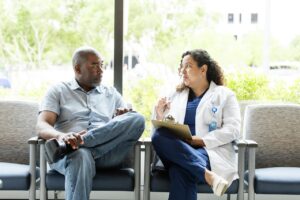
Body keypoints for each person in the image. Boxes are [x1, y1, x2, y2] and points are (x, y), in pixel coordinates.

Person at [36, 46, 145, 200]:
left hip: (104, 154)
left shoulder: (111, 93)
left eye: (102, 64)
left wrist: (120, 117)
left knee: (137, 119)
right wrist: (61, 136)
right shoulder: (58, 91)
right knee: (80, 155)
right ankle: (75, 145)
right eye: (94, 65)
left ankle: (79, 142)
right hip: (69, 156)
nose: (101, 69)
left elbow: (128, 121)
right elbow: (41, 126)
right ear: (77, 68)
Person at [151, 49, 241, 200]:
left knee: (180, 170)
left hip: (209, 152)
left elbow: (233, 129)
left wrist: (201, 140)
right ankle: (208, 176)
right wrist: (159, 114)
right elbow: (163, 131)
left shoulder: (224, 95)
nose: (182, 71)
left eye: (188, 66)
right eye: (181, 67)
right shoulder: (174, 96)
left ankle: (200, 169)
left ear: (203, 69)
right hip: (178, 150)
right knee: (158, 135)